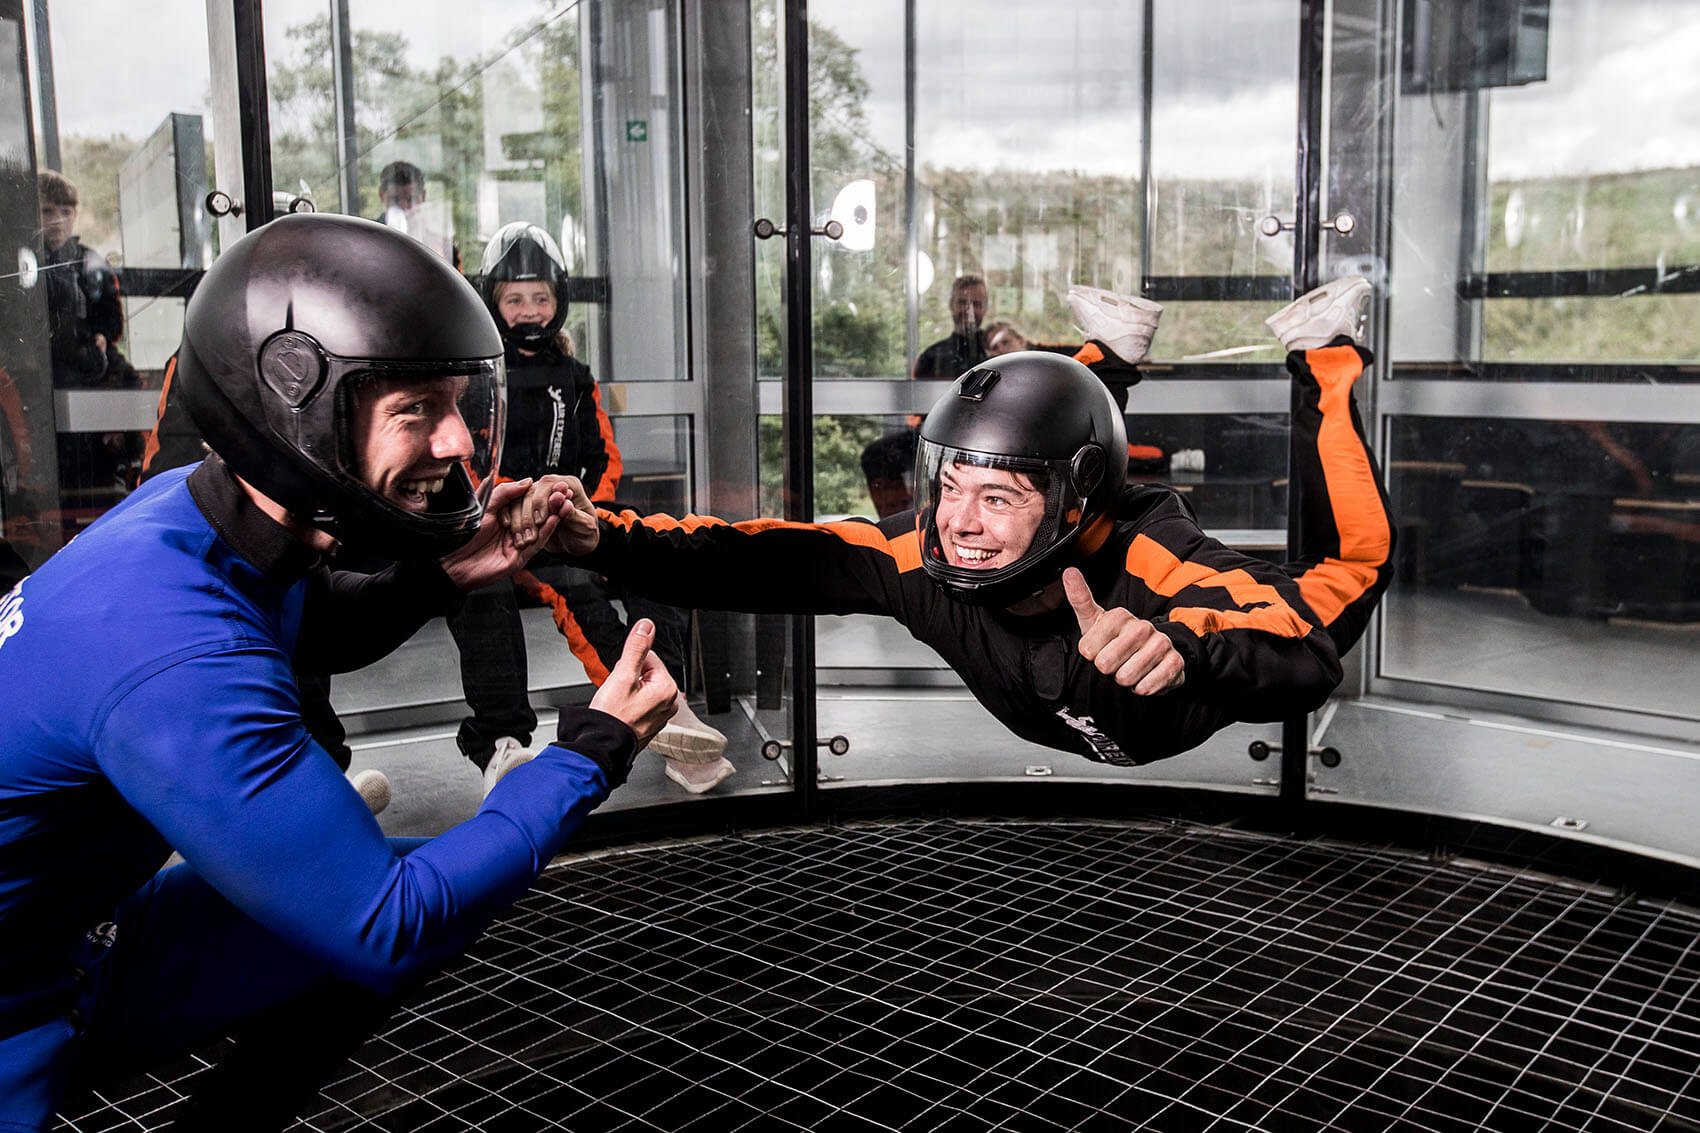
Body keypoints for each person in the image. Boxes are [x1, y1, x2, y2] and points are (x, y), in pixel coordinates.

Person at [0, 213, 675, 1131]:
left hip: (70, 940)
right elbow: (390, 925)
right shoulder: (174, 648)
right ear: (295, 408)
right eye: (415, 412)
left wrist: (440, 570)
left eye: (456, 406)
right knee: (398, 914)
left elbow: (307, 625)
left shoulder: (189, 512)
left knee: (413, 887)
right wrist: (590, 751)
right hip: (17, 996)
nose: (460, 445)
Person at [550, 276, 1392, 768]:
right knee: (1028, 448)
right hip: (1079, 543)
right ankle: (1105, 363)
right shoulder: (918, 549)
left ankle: (1328, 356)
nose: (960, 525)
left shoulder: (1159, 567)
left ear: (1068, 509)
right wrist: (607, 536)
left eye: (999, 500)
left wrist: (1182, 650)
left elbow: (1307, 650)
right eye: (951, 486)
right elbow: (756, 558)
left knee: (1353, 567)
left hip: (1167, 694)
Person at [476, 222, 734, 793]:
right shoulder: (480, 377)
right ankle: (657, 710)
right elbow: (474, 466)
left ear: (559, 303)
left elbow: (604, 458)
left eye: (540, 298)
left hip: (575, 521)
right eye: (515, 299)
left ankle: (672, 701)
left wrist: (579, 507)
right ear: (493, 303)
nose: (529, 311)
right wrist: (526, 514)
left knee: (652, 568)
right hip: (513, 534)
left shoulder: (575, 375)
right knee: (581, 594)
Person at [37, 170, 144, 503]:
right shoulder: (23, 260)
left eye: (65, 212)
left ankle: (120, 469)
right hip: (45, 361)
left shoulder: (89, 261)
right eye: (47, 211)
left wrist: (101, 335)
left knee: (126, 380)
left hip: (88, 354)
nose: (57, 221)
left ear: (76, 215)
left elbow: (112, 316)